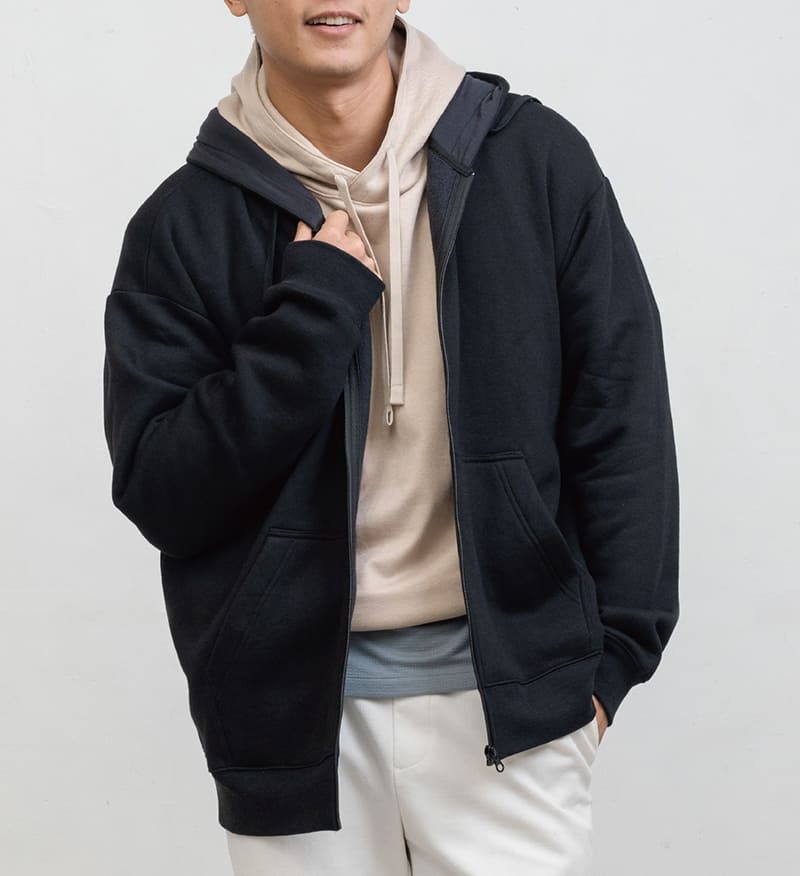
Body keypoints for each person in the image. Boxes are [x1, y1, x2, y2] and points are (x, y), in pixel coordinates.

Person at [102, 2, 680, 874]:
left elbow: (622, 418)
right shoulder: (182, 226)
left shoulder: (534, 162)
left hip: (514, 717)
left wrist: (609, 670)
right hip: (294, 730)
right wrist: (313, 312)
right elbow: (163, 492)